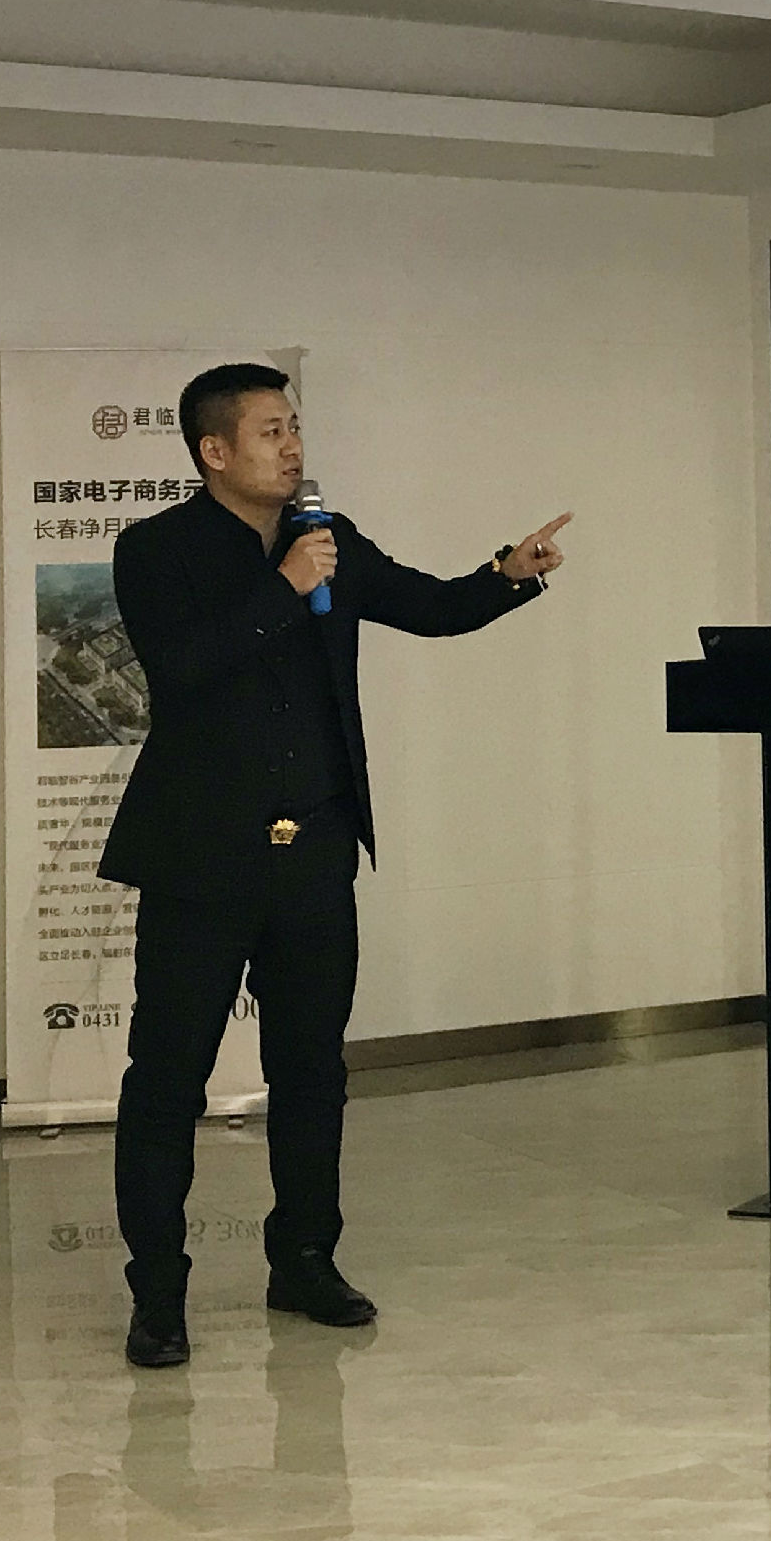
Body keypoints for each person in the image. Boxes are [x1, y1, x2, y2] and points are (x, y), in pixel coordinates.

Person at [100, 363, 571, 1368]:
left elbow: (430, 605)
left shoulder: (330, 538)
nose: (292, 446)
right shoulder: (155, 549)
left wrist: (510, 573)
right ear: (213, 451)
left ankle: (305, 1259)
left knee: (312, 1068)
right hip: (198, 860)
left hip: (312, 850)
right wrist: (283, 588)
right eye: (270, 430)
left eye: (295, 427)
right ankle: (158, 1292)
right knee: (168, 1077)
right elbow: (180, 671)